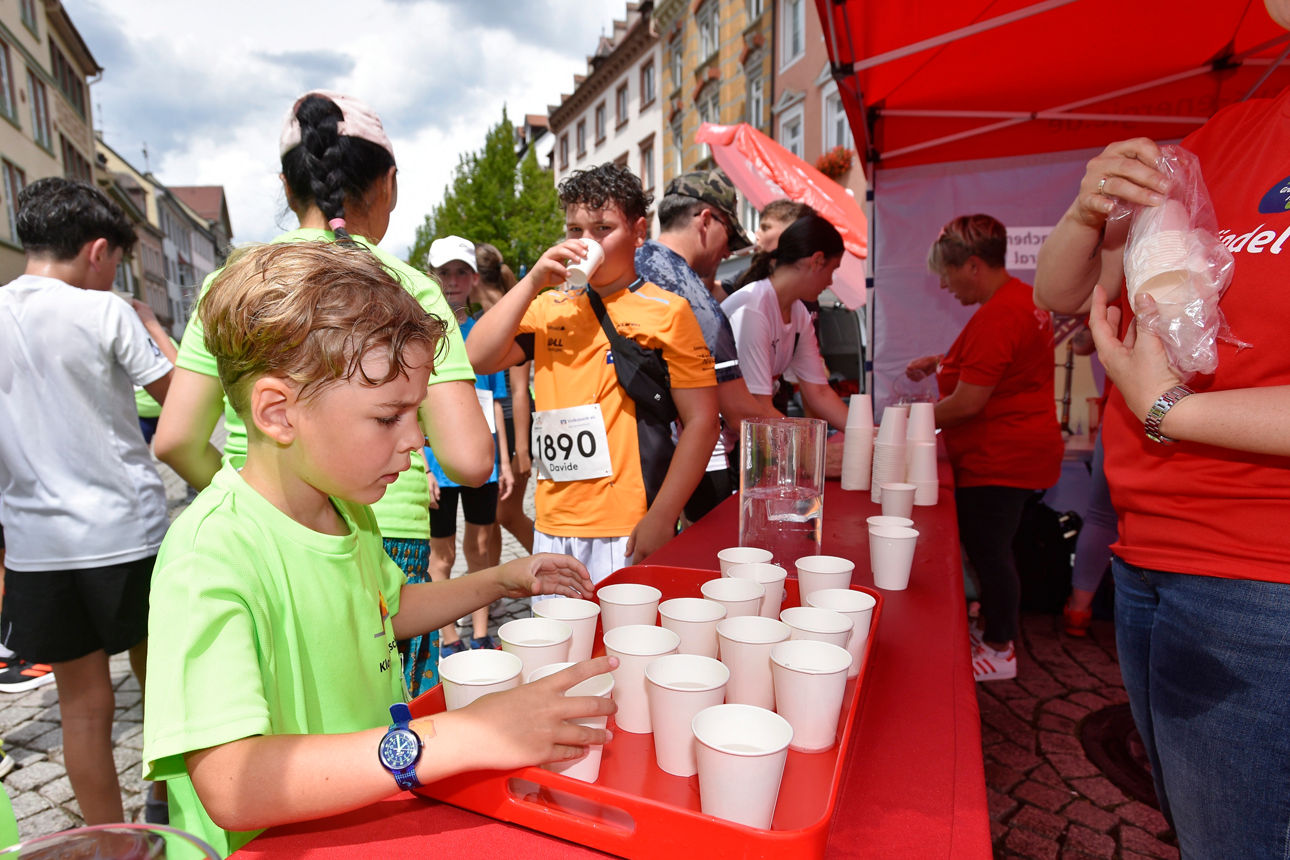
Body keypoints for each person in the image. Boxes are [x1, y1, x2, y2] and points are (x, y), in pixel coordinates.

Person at [142, 241, 614, 859]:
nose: (417, 440)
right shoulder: (208, 556)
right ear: (278, 413)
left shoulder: (347, 511)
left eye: (416, 413)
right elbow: (233, 784)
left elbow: (385, 611)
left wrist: (503, 580)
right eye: (389, 417)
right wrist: (461, 736)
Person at [1033, 3, 1290, 846]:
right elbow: (1064, 292)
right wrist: (1086, 210)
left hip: (1263, 574)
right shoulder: (1229, 131)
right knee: (1202, 832)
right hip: (1151, 556)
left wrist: (1172, 409)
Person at [152, 92, 492, 701]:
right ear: (388, 184)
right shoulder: (408, 287)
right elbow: (469, 459)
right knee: (396, 710)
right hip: (392, 530)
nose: (411, 437)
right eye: (390, 415)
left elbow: (176, 439)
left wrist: (253, 502)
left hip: (296, 531)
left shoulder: (231, 285)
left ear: (288, 186)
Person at [0, 178, 173, 824]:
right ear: (98, 251)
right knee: (162, 684)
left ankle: (109, 841)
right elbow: (179, 399)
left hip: (37, 549)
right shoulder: (105, 312)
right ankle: (165, 803)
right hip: (126, 534)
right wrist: (152, 328)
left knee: (82, 709)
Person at [467, 163, 721, 582]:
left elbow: (703, 421)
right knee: (556, 627)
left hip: (628, 525)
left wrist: (663, 515)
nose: (586, 242)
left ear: (639, 232)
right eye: (574, 230)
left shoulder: (669, 311)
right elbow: (476, 357)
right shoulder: (549, 306)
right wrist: (532, 281)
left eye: (603, 229)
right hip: (553, 522)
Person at [906, 213, 1062, 683]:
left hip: (1000, 458)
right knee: (994, 550)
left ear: (973, 265)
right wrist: (944, 363)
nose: (944, 285)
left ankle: (999, 647)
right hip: (1014, 451)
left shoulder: (1000, 315)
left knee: (990, 554)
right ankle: (995, 631)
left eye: (947, 273)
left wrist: (902, 424)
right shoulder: (1023, 300)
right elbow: (1003, 367)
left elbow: (968, 403)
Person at [634, 169, 767, 523]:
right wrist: (809, 442)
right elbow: (738, 412)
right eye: (729, 237)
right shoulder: (693, 299)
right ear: (706, 220)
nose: (727, 251)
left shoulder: (623, 265)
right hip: (651, 479)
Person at [423, 236, 512, 661]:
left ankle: (479, 632)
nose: (454, 281)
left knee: (479, 548)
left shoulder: (484, 333)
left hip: (483, 464)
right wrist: (422, 466)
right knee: (441, 554)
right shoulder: (422, 334)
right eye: (445, 273)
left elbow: (495, 401)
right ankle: (447, 635)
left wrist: (505, 461)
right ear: (432, 277)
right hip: (437, 464)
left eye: (462, 272)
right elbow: (411, 405)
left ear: (474, 279)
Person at [722, 214, 852, 432]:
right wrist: (818, 447)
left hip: (742, 438)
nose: (830, 282)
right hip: (718, 443)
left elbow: (819, 392)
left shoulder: (798, 312)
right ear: (817, 261)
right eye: (833, 269)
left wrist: (870, 435)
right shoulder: (753, 310)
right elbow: (758, 411)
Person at [473, 242, 535, 555]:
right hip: (490, 423)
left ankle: (563, 568)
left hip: (514, 421)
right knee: (491, 517)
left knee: (505, 513)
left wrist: (522, 449)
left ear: (475, 276)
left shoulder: (511, 314)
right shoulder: (478, 317)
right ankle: (496, 578)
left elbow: (521, 388)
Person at [729, 199, 813, 294]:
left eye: (765, 228)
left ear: (791, 234)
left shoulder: (803, 293)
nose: (757, 234)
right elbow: (717, 291)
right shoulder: (751, 275)